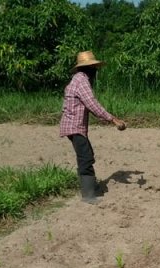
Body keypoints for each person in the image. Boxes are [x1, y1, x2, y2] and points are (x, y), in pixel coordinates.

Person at [59, 51, 126, 203]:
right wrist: (113, 119)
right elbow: (92, 104)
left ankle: (90, 187)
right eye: (94, 67)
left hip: (74, 126)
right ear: (89, 68)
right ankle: (88, 195)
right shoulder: (82, 81)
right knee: (85, 157)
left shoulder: (77, 79)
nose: (96, 70)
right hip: (74, 126)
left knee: (86, 154)